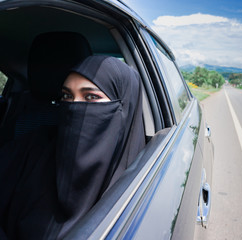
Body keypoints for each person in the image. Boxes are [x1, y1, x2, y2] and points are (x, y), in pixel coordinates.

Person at [0, 56, 145, 239]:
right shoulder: (31, 146)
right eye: (67, 96)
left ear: (123, 108)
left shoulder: (134, 185)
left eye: (91, 97)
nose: (74, 107)